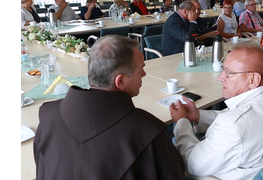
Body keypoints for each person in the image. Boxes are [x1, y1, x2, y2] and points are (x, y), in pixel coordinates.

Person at [34, 35, 185, 180]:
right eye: (140, 70)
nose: (144, 74)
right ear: (120, 81)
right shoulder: (147, 130)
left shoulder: (48, 115)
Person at [170, 43, 263, 180]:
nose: (220, 77)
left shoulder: (232, 127)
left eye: (229, 72)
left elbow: (193, 165)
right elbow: (238, 116)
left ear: (253, 79)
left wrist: (181, 123)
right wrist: (198, 116)